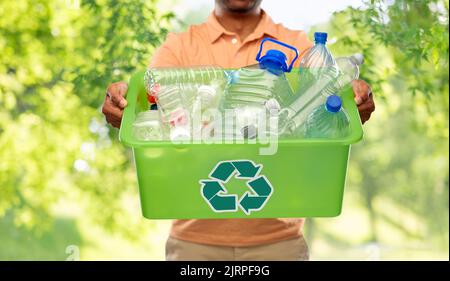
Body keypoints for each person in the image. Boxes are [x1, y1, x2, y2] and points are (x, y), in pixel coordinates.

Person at [102, 0, 375, 261]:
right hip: (193, 243)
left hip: (280, 241)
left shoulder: (296, 45)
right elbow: (150, 100)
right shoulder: (180, 46)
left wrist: (352, 100)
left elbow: (325, 103)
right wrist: (122, 104)